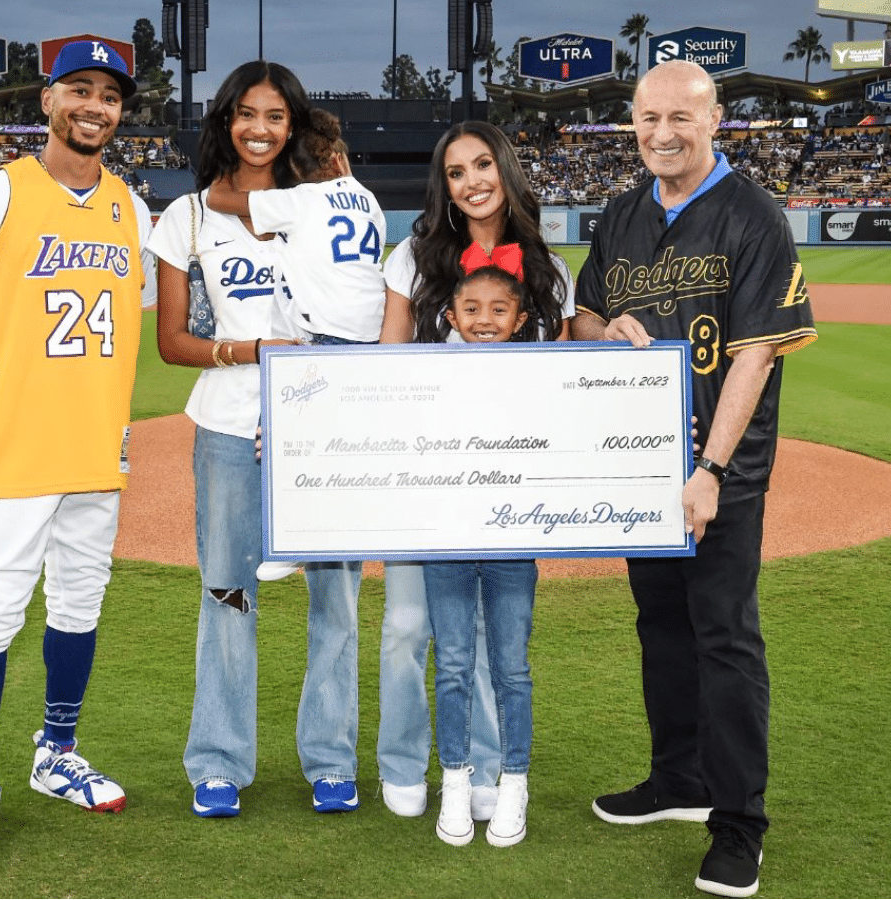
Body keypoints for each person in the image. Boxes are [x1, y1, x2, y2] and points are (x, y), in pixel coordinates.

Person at [571, 60, 817, 899]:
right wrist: (608, 330)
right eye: (647, 119)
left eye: (681, 117)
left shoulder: (752, 214)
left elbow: (756, 353)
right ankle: (678, 778)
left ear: (715, 122)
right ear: (631, 125)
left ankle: (739, 825)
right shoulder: (621, 212)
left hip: (721, 473)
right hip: (639, 467)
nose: (662, 134)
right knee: (662, 629)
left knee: (725, 637)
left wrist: (711, 469)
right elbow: (586, 315)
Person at [0, 40, 157, 859]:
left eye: (110, 96)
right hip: (16, 452)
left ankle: (56, 754)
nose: (96, 106)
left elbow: (143, 321)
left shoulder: (132, 208)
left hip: (95, 450)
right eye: (80, 91)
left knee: (78, 605)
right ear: (48, 102)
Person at [147, 61, 363, 818]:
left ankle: (332, 759)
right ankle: (217, 761)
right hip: (231, 425)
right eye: (246, 114)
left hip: (325, 428)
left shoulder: (323, 204)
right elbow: (172, 341)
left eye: (275, 115)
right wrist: (252, 352)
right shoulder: (189, 218)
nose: (260, 128)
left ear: (293, 124)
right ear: (226, 122)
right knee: (227, 593)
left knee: (334, 595)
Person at [377, 120, 575, 820]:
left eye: (483, 164)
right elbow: (388, 366)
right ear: (445, 186)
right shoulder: (416, 257)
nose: (472, 182)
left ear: (506, 169)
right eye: (456, 172)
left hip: (510, 479)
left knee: (494, 637)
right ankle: (403, 762)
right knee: (407, 625)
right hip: (429, 476)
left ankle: (486, 769)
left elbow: (574, 380)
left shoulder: (549, 270)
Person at [206, 107, 388, 581]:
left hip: (324, 341)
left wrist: (238, 165)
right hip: (369, 341)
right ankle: (343, 524)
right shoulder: (367, 198)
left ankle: (293, 537)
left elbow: (220, 199)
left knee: (281, 439)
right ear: (340, 160)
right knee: (342, 443)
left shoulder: (302, 200)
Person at [423, 263, 540, 849]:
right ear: (452, 316)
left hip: (512, 542)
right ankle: (455, 779)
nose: (485, 319)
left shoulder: (541, 376)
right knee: (451, 665)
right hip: (446, 539)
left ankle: (514, 782)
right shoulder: (426, 374)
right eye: (472, 308)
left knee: (511, 668)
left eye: (499, 309)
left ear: (520, 319)